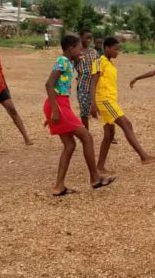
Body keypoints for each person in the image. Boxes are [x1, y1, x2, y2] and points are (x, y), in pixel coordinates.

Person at [44, 35, 114, 196]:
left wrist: (51, 109)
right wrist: (54, 110)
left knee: (70, 145)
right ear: (70, 49)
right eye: (78, 48)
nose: (81, 51)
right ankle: (95, 178)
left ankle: (59, 186)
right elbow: (49, 84)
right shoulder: (63, 61)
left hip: (59, 105)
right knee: (87, 137)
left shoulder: (67, 62)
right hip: (59, 105)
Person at [91, 37, 155, 173]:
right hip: (104, 101)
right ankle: (143, 156)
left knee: (109, 134)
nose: (118, 52)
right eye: (115, 49)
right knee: (126, 124)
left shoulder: (110, 63)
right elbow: (93, 82)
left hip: (110, 100)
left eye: (119, 49)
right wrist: (92, 104)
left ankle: (100, 166)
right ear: (107, 48)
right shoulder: (99, 62)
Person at [76, 30, 99, 129]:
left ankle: (110, 134)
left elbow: (99, 69)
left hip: (96, 85)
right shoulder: (76, 53)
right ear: (81, 38)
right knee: (84, 111)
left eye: (90, 38)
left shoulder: (94, 52)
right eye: (87, 37)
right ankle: (86, 132)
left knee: (101, 109)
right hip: (82, 86)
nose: (89, 40)